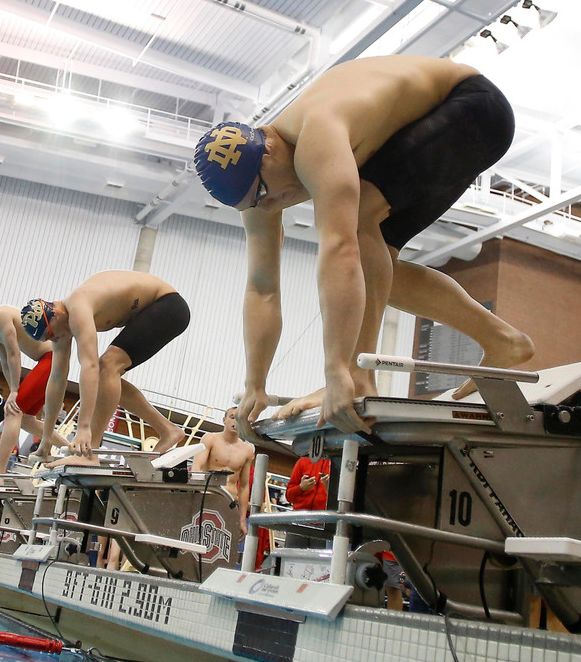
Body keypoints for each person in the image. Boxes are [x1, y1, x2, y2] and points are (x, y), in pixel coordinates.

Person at [193, 55, 533, 436]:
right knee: (380, 268)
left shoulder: (315, 136)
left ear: (267, 146)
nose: (271, 205)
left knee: (358, 224)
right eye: (256, 204)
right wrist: (254, 383)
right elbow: (262, 287)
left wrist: (337, 370)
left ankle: (360, 374)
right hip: (426, 127)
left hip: (472, 108)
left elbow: (340, 248)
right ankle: (503, 341)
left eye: (266, 192)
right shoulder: (258, 191)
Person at [22, 270, 190, 466]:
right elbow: (57, 379)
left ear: (56, 314)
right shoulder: (59, 325)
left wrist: (84, 427)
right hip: (149, 309)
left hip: (168, 306)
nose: (53, 340)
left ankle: (90, 451)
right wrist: (46, 439)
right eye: (47, 339)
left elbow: (90, 366)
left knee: (107, 366)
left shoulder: (78, 308)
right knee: (109, 371)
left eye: (51, 334)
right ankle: (168, 430)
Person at [0, 302, 71, 483]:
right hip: (46, 361)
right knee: (25, 418)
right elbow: (5, 363)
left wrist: (15, 392)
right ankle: (71, 450)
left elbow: (13, 354)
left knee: (12, 411)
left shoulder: (1, 314)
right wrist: (12, 390)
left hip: (52, 359)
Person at [192, 407, 255, 535]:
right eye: (232, 417)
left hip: (228, 502)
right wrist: (198, 494)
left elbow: (244, 486)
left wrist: (242, 520)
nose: (235, 422)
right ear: (224, 420)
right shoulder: (210, 439)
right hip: (206, 498)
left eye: (240, 419)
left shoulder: (247, 450)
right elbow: (196, 467)